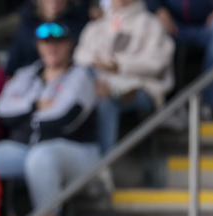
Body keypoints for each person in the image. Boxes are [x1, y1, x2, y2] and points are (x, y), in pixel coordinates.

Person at [0, 22, 98, 216]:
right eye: (46, 43)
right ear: (38, 46)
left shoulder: (81, 75)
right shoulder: (27, 74)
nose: (51, 48)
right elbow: (2, 110)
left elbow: (63, 118)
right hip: (26, 147)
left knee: (41, 157)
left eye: (58, 43)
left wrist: (23, 113)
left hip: (78, 151)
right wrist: (34, 105)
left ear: (69, 45)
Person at [73, 0, 174, 155]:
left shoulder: (151, 23)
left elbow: (157, 63)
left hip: (141, 87)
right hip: (98, 84)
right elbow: (79, 57)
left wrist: (119, 65)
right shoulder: (96, 26)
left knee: (106, 101)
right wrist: (100, 68)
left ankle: (104, 162)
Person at [146, 0, 213, 120]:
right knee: (154, 26)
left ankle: (208, 105)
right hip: (176, 23)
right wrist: (157, 8)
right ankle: (164, 108)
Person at [6, 0, 93, 75]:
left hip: (68, 77)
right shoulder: (27, 22)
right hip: (29, 80)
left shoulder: (80, 22)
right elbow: (14, 60)